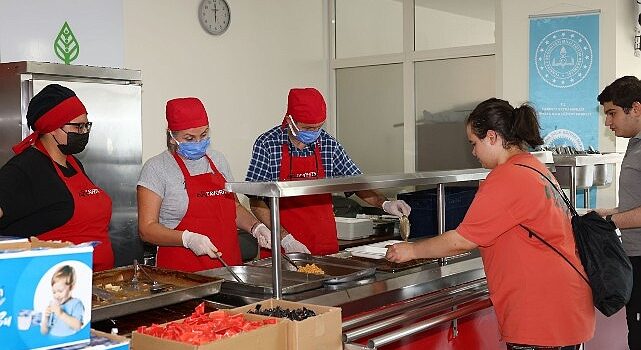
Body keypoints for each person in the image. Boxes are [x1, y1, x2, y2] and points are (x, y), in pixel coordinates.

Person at [386, 98, 595, 349]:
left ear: (493, 137)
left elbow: (461, 241)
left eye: (474, 143)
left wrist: (411, 250)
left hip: (540, 315)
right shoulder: (534, 167)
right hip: (564, 306)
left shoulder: (507, 177)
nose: (473, 152)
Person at [245, 87, 411, 255]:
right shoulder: (267, 144)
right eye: (308, 128)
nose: (314, 133)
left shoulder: (328, 144)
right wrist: (286, 239)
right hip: (283, 247)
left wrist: (384, 203)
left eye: (318, 127)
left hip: (324, 244)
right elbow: (256, 201)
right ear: (290, 120)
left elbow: (356, 183)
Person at [137, 97, 271, 272]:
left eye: (203, 135)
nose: (198, 143)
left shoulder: (218, 160)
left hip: (229, 269)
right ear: (171, 136)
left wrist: (256, 227)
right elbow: (146, 229)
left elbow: (234, 207)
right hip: (183, 275)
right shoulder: (156, 168)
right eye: (189, 138)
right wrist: (187, 239)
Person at [0, 84, 113, 271]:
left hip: (98, 282)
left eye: (86, 125)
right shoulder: (25, 168)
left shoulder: (74, 163)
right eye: (78, 127)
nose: (84, 132)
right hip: (55, 287)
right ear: (52, 127)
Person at [594, 76, 641, 350]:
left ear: (635, 108)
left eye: (612, 114)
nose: (608, 123)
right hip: (633, 257)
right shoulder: (634, 145)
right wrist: (604, 214)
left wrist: (611, 221)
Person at [41, 265, 84, 336]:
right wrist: (46, 317)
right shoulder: (54, 305)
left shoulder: (76, 304)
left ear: (71, 287)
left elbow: (78, 326)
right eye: (54, 292)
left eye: (60, 291)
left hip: (69, 342)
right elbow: (44, 332)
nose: (57, 295)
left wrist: (60, 313)